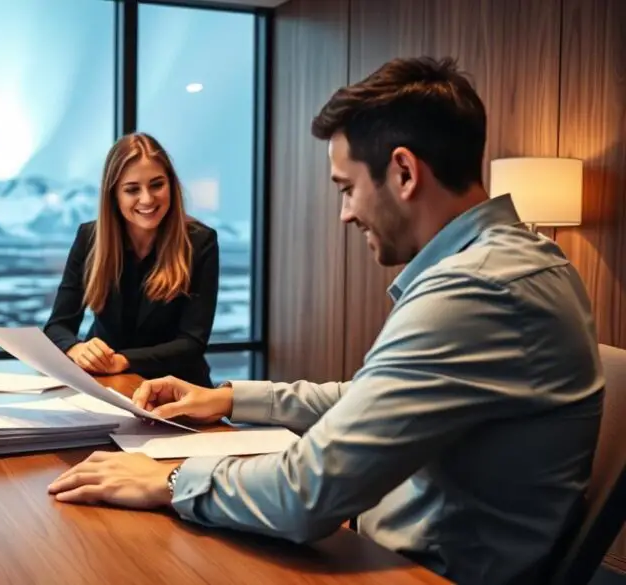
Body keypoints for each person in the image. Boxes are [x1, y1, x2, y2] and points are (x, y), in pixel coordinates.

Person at [46, 57, 605, 585]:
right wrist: (231, 398)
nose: (346, 213)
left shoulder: (474, 289)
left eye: (347, 188)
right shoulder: (518, 260)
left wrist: (170, 478)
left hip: (419, 569)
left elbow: (305, 494)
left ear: (404, 172)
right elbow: (370, 397)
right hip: (386, 541)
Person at [43, 132, 219, 387]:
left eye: (157, 184)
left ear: (171, 184)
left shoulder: (200, 242)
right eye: (132, 189)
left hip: (178, 389)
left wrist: (123, 360)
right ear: (114, 195)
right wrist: (76, 349)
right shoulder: (89, 237)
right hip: (106, 386)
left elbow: (191, 343)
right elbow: (58, 327)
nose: (147, 199)